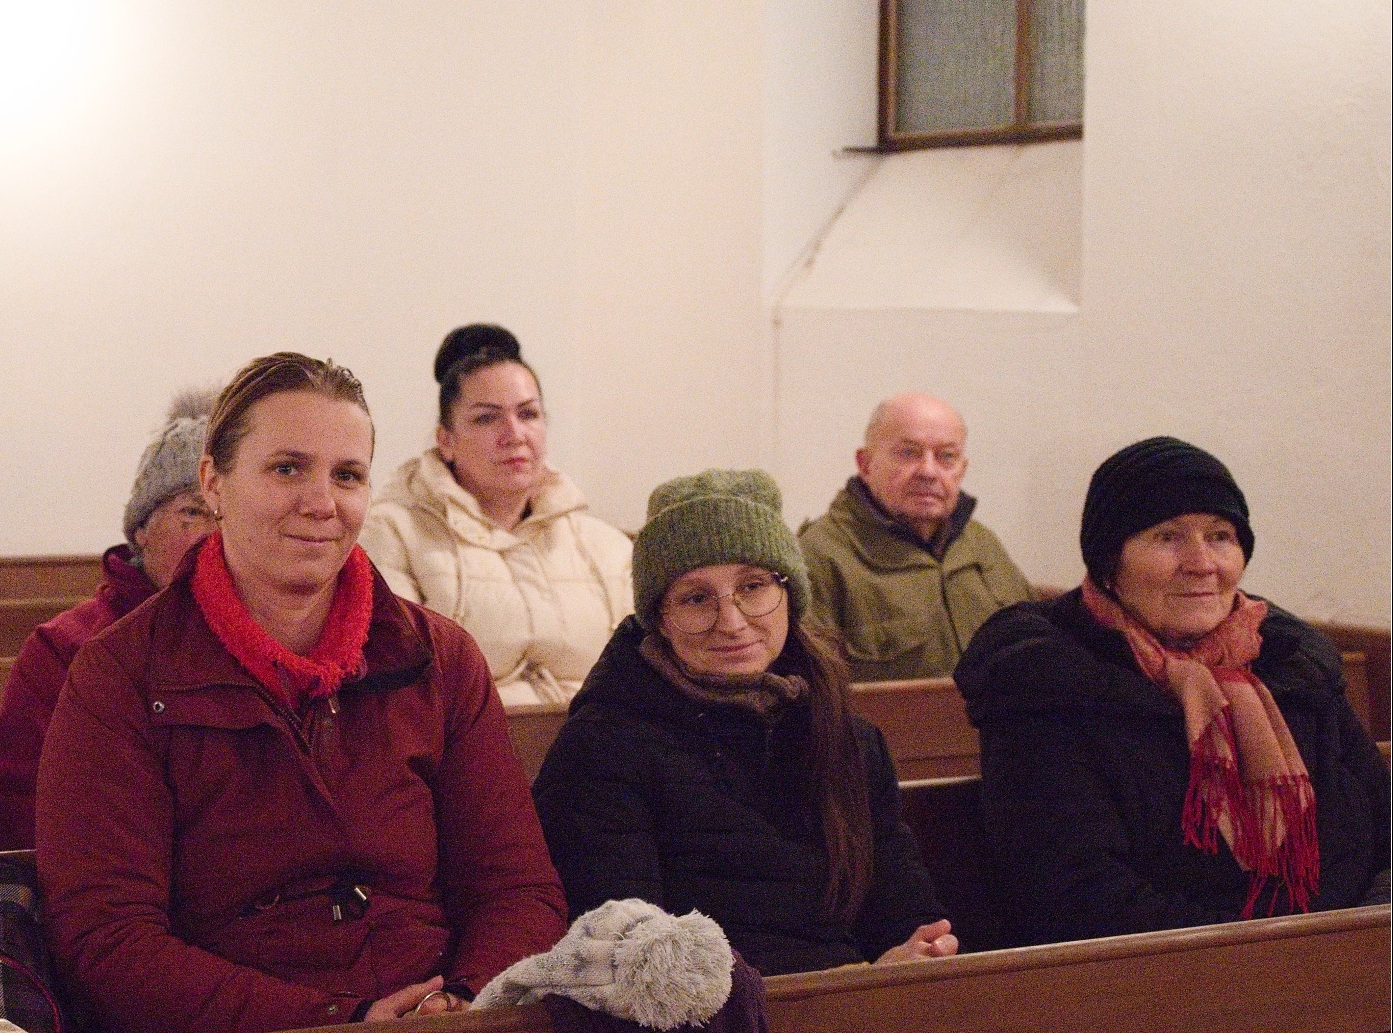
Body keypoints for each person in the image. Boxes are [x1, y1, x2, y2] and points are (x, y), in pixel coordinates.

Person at [36, 352, 568, 1033]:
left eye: (347, 475)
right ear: (214, 483)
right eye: (287, 468)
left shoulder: (440, 659)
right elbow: (107, 939)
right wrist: (338, 1026)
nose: (322, 503)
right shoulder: (120, 675)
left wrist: (463, 1003)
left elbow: (515, 888)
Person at [956, 437, 1391, 945]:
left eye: (1220, 536)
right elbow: (1075, 898)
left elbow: (1382, 828)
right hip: (1163, 979)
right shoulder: (1044, 688)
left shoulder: (1294, 669)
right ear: (1108, 564)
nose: (1201, 562)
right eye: (1167, 537)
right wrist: (1276, 956)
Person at [534, 469, 956, 976]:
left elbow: (902, 905)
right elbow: (626, 952)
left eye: (753, 587)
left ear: (789, 595)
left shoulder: (847, 736)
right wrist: (840, 981)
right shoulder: (603, 746)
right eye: (696, 598)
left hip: (857, 999)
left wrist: (917, 951)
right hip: (712, 1013)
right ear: (660, 618)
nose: (731, 622)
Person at [0, 389, 217, 849]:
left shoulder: (275, 637)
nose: (214, 537)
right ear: (142, 529)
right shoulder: (66, 648)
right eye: (193, 512)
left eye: (228, 516)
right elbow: (24, 815)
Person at [361, 324, 633, 706]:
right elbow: (402, 690)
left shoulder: (606, 547)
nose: (514, 434)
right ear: (446, 441)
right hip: (465, 742)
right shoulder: (391, 534)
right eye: (487, 418)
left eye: (528, 414)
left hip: (592, 740)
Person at [798, 392, 1031, 681]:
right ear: (866, 464)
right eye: (908, 453)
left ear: (962, 469)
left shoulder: (981, 543)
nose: (928, 472)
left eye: (946, 456)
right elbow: (812, 693)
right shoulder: (820, 556)